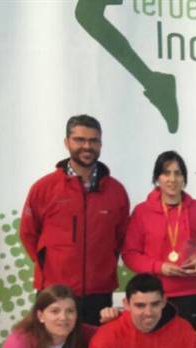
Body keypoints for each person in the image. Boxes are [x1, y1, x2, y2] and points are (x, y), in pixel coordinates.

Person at [19, 114, 130, 326]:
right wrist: (50, 266)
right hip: (54, 292)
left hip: (99, 293)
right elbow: (28, 233)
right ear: (67, 142)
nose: (87, 146)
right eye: (79, 140)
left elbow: (121, 237)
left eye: (93, 141)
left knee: (96, 346)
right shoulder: (43, 188)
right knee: (53, 347)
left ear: (100, 144)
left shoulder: (116, 191)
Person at [123, 151, 196, 330]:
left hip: (191, 292)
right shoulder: (142, 212)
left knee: (187, 344)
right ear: (157, 178)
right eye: (166, 173)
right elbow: (130, 254)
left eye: (178, 173)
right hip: (153, 296)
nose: (172, 179)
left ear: (184, 178)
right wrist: (160, 267)